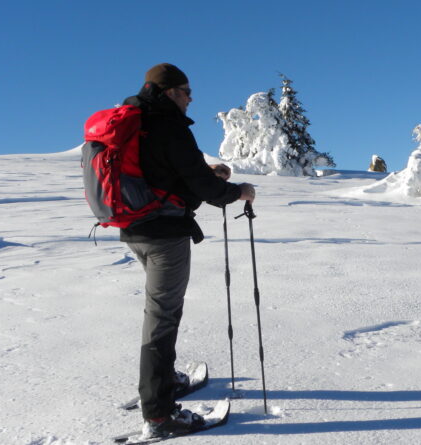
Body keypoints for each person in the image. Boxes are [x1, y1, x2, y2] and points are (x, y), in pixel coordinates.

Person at [120, 63, 255, 437]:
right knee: (162, 319)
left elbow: (168, 175)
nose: (190, 98)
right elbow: (201, 187)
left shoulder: (137, 120)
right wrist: (238, 191)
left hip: (135, 229)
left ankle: (164, 383)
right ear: (166, 92)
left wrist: (209, 175)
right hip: (165, 234)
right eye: (185, 91)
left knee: (158, 312)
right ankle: (160, 414)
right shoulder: (167, 124)